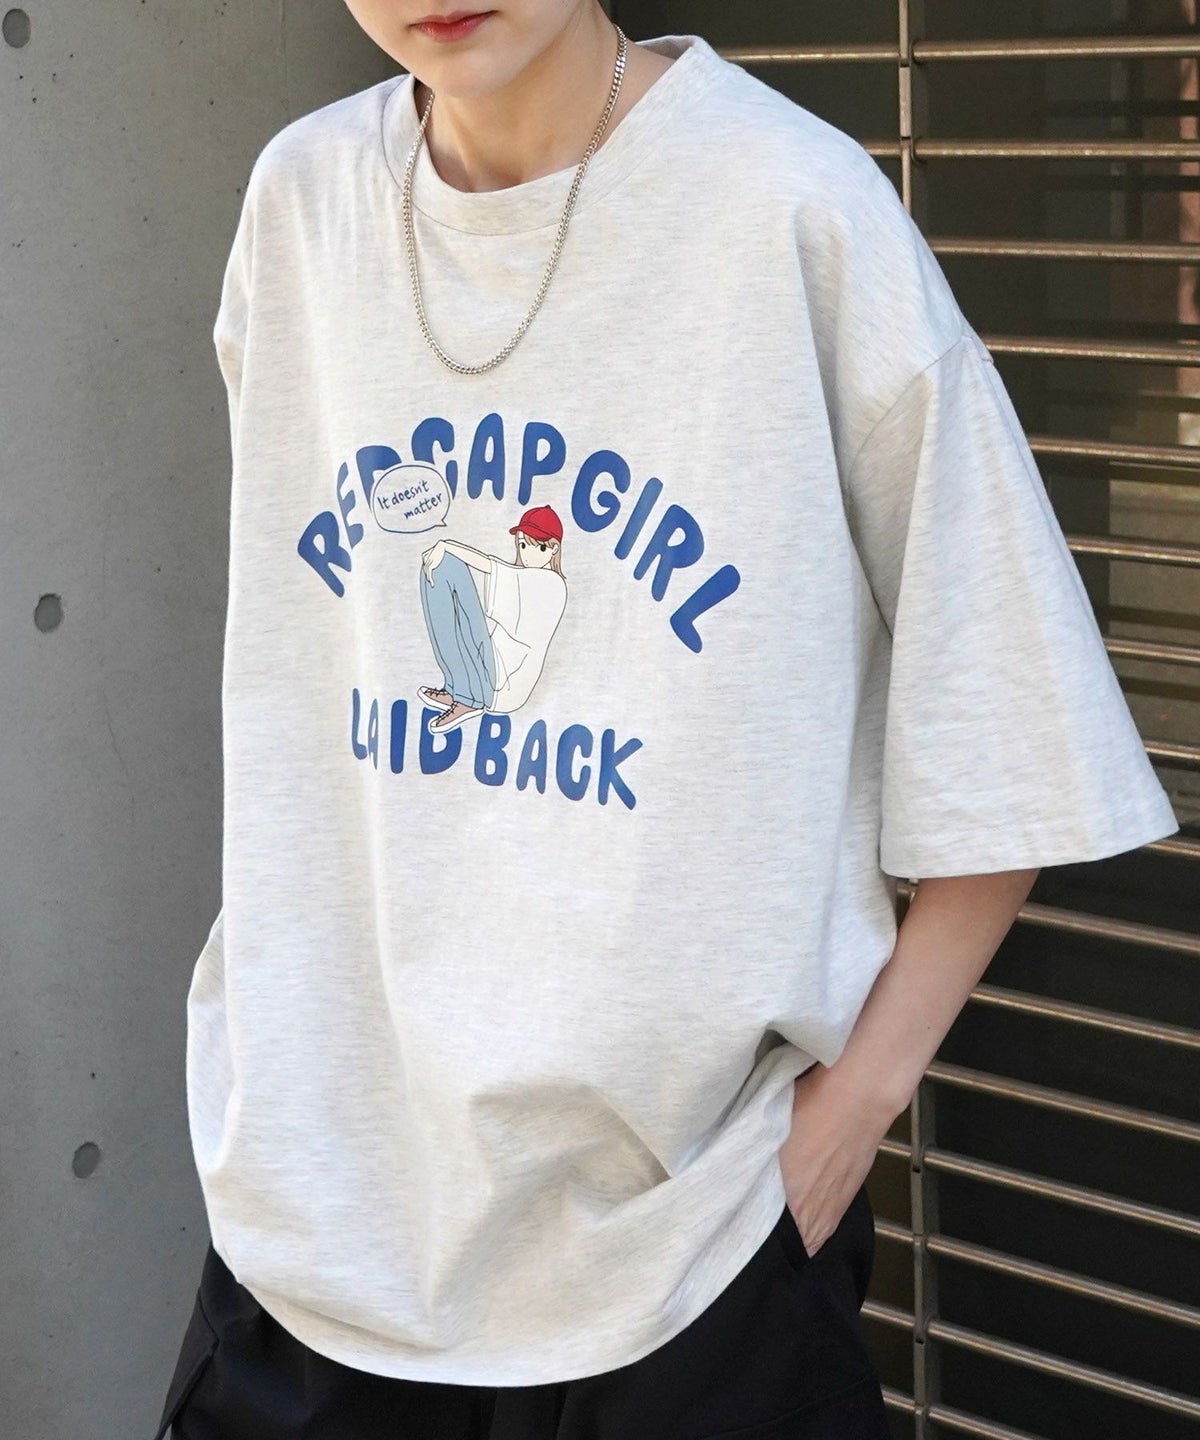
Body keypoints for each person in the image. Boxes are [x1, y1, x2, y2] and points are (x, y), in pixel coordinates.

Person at [151, 2, 1181, 1438]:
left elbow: (1015, 711)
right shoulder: (301, 202)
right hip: (319, 1231)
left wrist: (845, 1124)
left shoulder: (787, 206)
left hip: (690, 1257)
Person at [418, 504, 569, 733]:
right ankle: (458, 689)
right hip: (492, 668)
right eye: (522, 545)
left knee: (446, 562)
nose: (526, 554)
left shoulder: (552, 584)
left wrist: (446, 545)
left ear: (553, 548)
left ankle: (468, 698)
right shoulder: (528, 577)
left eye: (535, 546)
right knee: (436, 564)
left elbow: (489, 565)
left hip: (502, 683)